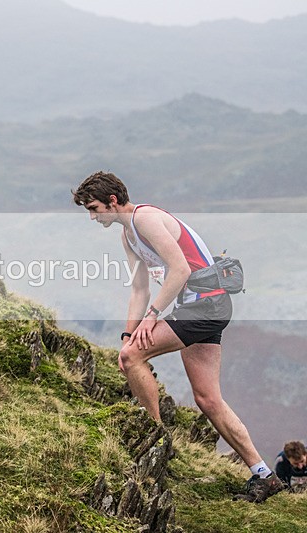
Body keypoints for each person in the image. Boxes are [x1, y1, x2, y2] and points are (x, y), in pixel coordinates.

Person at [72, 171, 283, 503]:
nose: (92, 216)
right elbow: (139, 288)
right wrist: (130, 333)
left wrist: (153, 316)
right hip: (199, 307)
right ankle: (263, 474)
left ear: (113, 201)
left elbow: (180, 270)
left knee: (132, 359)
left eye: (94, 208)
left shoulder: (146, 220)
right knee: (208, 399)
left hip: (205, 304)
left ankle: (156, 440)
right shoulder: (128, 235)